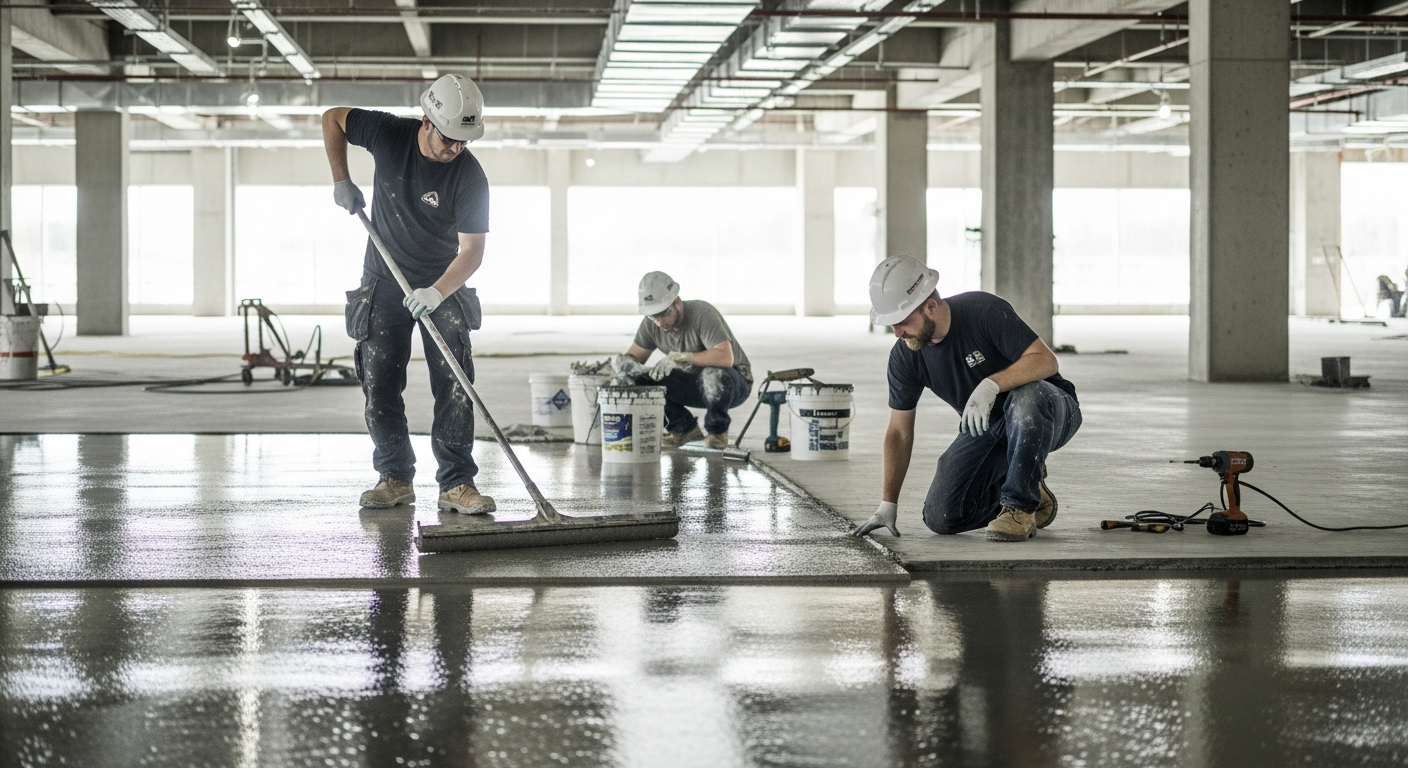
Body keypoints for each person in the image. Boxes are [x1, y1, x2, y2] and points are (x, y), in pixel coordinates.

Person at [323, 73, 496, 515]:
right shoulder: (388, 133)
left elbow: (472, 251)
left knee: (455, 383)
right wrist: (341, 179)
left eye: (464, 140)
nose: (456, 148)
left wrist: (437, 293)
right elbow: (332, 119)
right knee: (379, 383)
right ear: (426, 121)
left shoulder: (470, 175)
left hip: (444, 282)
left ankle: (457, 483)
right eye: (450, 138)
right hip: (383, 278)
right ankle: (394, 477)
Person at [854, 255, 1081, 542]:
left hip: (1049, 412)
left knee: (1027, 395)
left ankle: (1019, 508)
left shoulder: (983, 311)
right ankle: (1029, 486)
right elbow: (899, 432)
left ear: (931, 306)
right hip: (992, 427)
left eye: (902, 322)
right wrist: (888, 503)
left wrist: (992, 384)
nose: (897, 332)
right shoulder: (906, 356)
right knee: (943, 516)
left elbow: (1046, 362)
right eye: (892, 325)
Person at [618, 271, 753, 450]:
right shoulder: (651, 324)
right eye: (653, 316)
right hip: (694, 386)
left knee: (712, 372)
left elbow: (725, 358)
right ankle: (684, 429)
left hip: (732, 383)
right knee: (641, 377)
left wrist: (685, 357)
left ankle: (717, 432)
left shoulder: (702, 313)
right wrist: (625, 366)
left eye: (663, 313)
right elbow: (634, 358)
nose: (659, 322)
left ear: (677, 303)